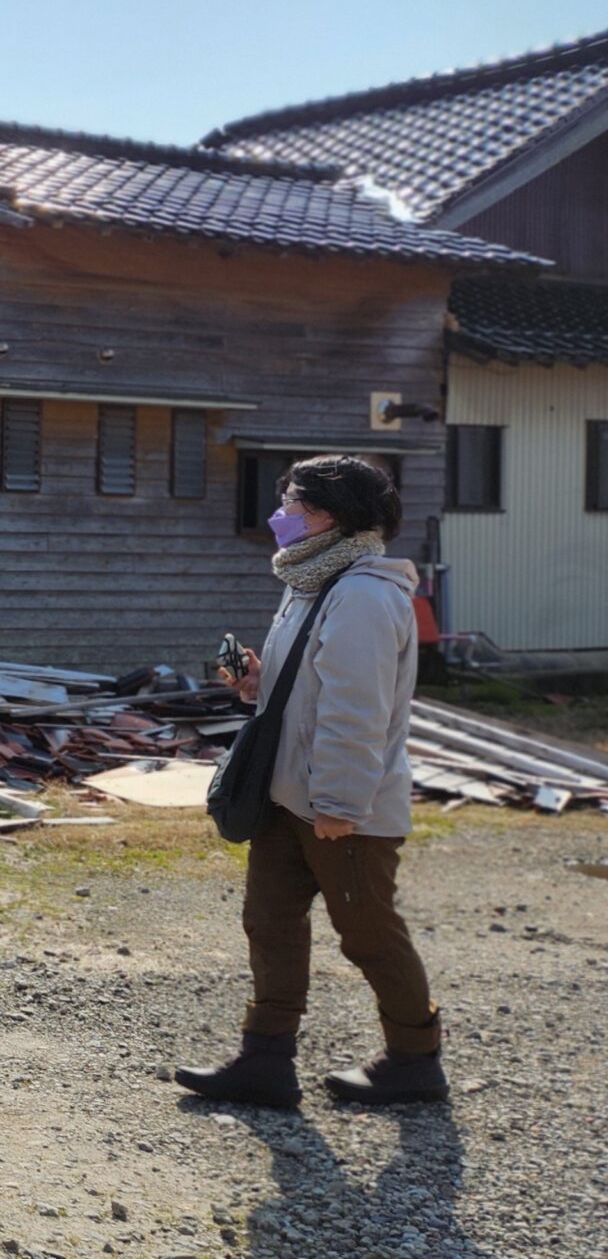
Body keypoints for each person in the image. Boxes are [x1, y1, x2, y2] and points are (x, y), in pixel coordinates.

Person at [177, 455, 446, 1107]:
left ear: (328, 515)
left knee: (369, 934)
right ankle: (264, 1060)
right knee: (269, 921)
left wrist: (339, 802)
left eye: (291, 503)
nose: (281, 514)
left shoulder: (363, 593)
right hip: (289, 796)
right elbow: (307, 688)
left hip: (338, 809)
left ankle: (415, 1060)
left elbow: (356, 710)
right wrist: (253, 682)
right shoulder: (312, 581)